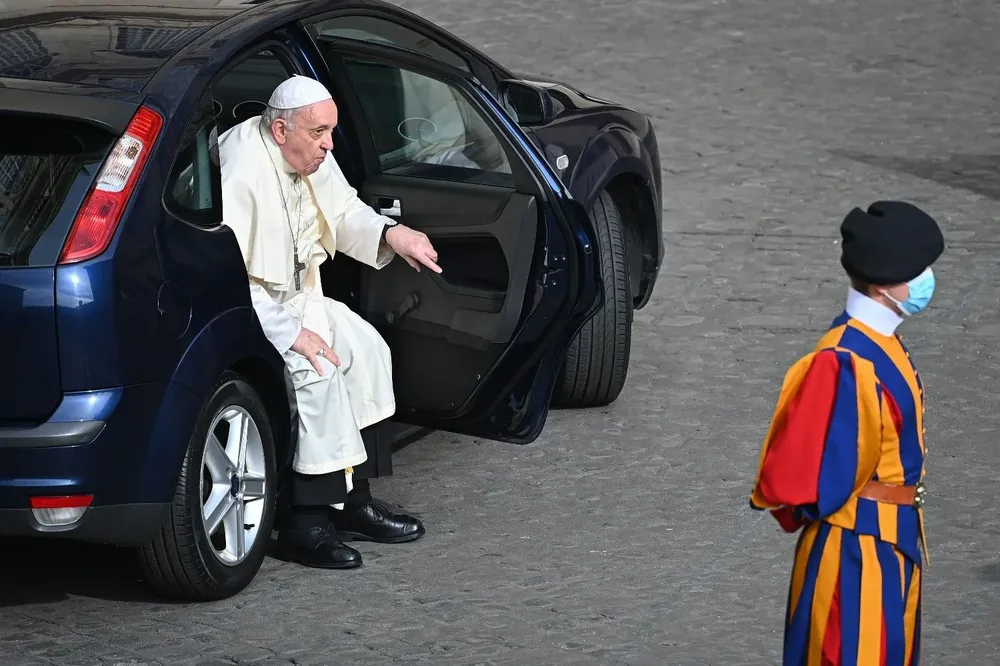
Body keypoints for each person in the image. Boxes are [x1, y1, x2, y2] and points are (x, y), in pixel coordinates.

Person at [218, 75, 443, 570]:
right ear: (281, 130)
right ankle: (306, 523)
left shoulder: (307, 148)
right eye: (320, 133)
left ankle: (353, 502)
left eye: (331, 132)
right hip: (257, 311)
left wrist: (392, 234)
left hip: (302, 297)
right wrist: (292, 333)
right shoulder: (239, 169)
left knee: (367, 350)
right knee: (317, 371)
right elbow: (226, 277)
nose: (329, 145)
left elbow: (340, 211)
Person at [749, 201, 944, 665]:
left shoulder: (878, 343)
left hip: (890, 544)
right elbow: (810, 476)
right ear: (883, 284)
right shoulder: (844, 360)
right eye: (916, 271)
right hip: (855, 552)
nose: (926, 278)